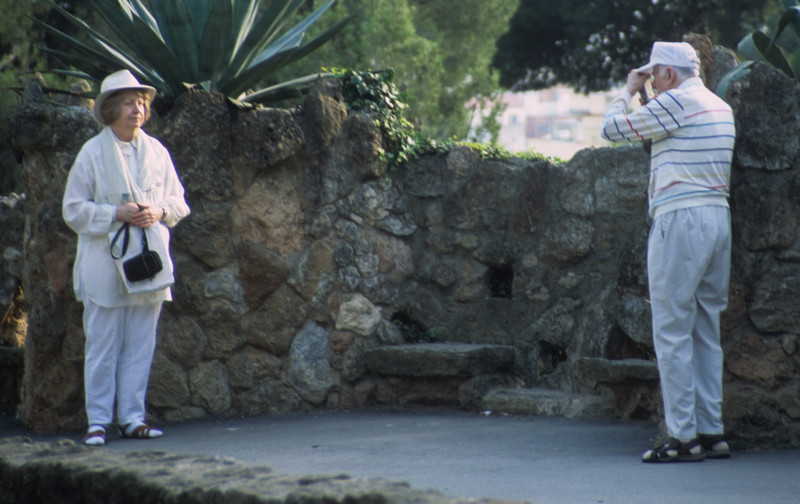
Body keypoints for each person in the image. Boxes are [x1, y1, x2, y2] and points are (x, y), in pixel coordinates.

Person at [600, 42, 735, 462]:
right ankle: (712, 431)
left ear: (670, 74)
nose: (651, 82)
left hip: (680, 220)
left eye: (655, 75)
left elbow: (613, 131)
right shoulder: (718, 106)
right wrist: (647, 93)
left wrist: (627, 90)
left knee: (671, 329)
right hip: (717, 217)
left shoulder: (676, 101)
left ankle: (681, 437)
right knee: (705, 329)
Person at [62, 70, 190, 446]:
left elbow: (179, 202)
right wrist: (113, 214)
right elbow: (72, 210)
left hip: (147, 263)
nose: (138, 109)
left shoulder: (157, 152)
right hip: (104, 262)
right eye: (130, 102)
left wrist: (158, 212)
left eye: (142, 102)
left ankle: (133, 418)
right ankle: (98, 421)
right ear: (111, 108)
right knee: (101, 343)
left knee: (140, 342)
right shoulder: (92, 153)